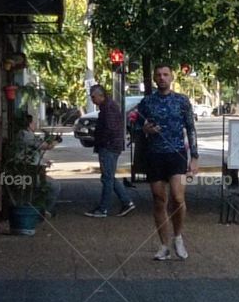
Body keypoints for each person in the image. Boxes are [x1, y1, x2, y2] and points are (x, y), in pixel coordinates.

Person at [132, 65, 199, 260]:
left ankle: (178, 236)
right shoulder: (147, 102)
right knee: (159, 200)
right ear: (154, 78)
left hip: (177, 154)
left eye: (165, 75)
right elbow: (135, 126)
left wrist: (194, 156)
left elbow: (191, 128)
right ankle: (164, 245)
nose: (162, 78)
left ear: (172, 77)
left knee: (178, 198)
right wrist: (145, 129)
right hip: (154, 155)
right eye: (159, 75)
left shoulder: (181, 101)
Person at [84, 84, 135, 219]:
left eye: (93, 97)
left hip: (109, 147)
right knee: (109, 177)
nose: (92, 99)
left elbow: (110, 129)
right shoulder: (108, 107)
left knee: (107, 178)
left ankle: (103, 208)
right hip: (111, 146)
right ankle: (126, 202)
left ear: (101, 95)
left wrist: (101, 141)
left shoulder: (108, 108)